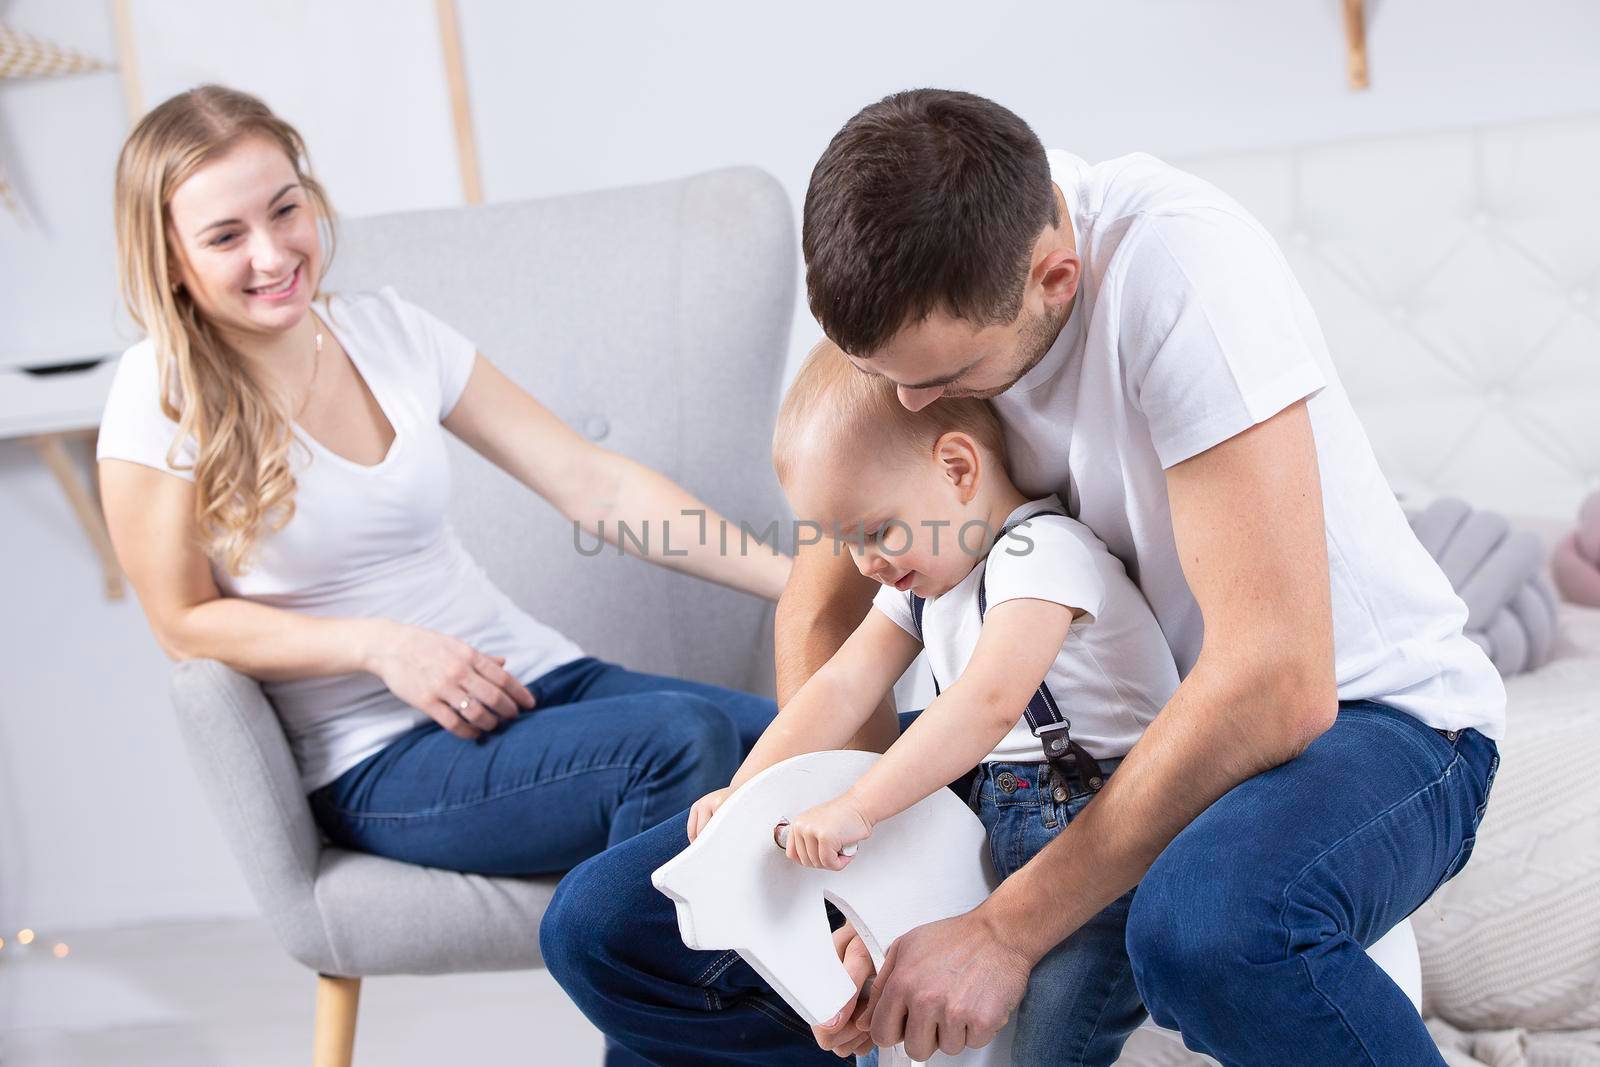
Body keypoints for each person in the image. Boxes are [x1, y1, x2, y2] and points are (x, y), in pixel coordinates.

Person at [541, 88, 1503, 1066]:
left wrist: (996, 928)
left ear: (1055, 278)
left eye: (941, 378)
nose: (907, 400)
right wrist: (858, 885)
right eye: (888, 373)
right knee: (612, 922)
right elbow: (824, 602)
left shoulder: (1177, 270)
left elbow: (1274, 687)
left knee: (1206, 928)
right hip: (1051, 746)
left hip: (1363, 715)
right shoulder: (926, 279)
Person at [97, 84, 790, 880]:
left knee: (814, 747)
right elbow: (182, 622)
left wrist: (797, 580)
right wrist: (379, 645)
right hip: (385, 755)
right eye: (225, 236)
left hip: (535, 680)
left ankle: (855, 994)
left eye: (285, 210)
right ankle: (671, 991)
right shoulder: (159, 393)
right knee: (679, 744)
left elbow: (593, 482)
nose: (273, 252)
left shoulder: (386, 331)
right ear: (172, 261)